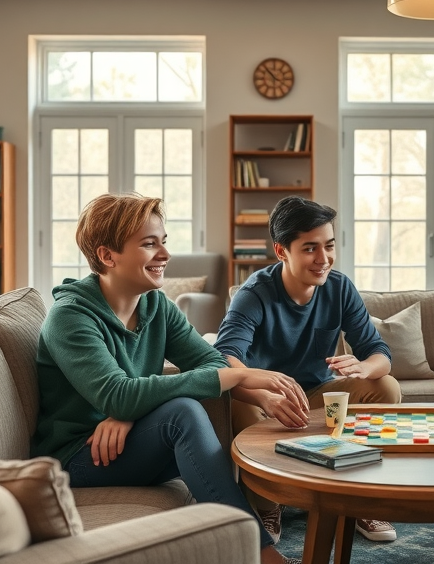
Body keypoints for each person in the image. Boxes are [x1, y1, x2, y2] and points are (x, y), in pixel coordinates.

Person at [31, 193, 307, 564]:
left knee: (196, 411)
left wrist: (127, 411)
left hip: (128, 443)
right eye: (149, 244)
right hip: (78, 457)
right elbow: (119, 394)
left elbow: (208, 361)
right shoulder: (71, 317)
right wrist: (125, 403)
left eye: (163, 241)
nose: (164, 254)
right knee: (184, 411)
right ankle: (257, 551)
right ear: (107, 256)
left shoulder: (156, 306)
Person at [214, 196, 400, 543]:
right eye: (310, 248)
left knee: (385, 386)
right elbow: (225, 357)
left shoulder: (339, 287)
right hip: (266, 397)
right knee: (240, 402)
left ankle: (361, 498)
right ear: (281, 251)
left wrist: (363, 366)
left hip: (316, 396)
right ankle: (267, 505)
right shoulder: (254, 293)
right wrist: (263, 395)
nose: (324, 258)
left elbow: (380, 354)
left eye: (329, 246)